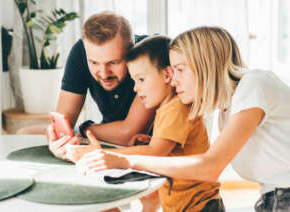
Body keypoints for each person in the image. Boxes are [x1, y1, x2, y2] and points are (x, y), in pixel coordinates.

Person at [79, 26, 290, 212]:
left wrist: (126, 160)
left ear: (204, 65)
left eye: (180, 70)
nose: (173, 81)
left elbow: (209, 167)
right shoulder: (228, 112)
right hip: (274, 197)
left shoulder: (254, 85)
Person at [65, 35, 224, 212]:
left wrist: (104, 154)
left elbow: (156, 152)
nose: (135, 88)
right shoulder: (167, 108)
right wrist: (151, 140)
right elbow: (165, 147)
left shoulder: (177, 107)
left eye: (141, 80)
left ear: (167, 75)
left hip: (200, 207)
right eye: (134, 81)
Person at [44, 11, 155, 161]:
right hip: (106, 138)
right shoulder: (80, 52)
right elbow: (62, 122)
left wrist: (85, 129)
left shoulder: (149, 54)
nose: (104, 73)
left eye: (113, 62)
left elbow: (130, 133)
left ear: (132, 50)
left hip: (145, 148)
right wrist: (56, 140)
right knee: (26, 132)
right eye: (94, 62)